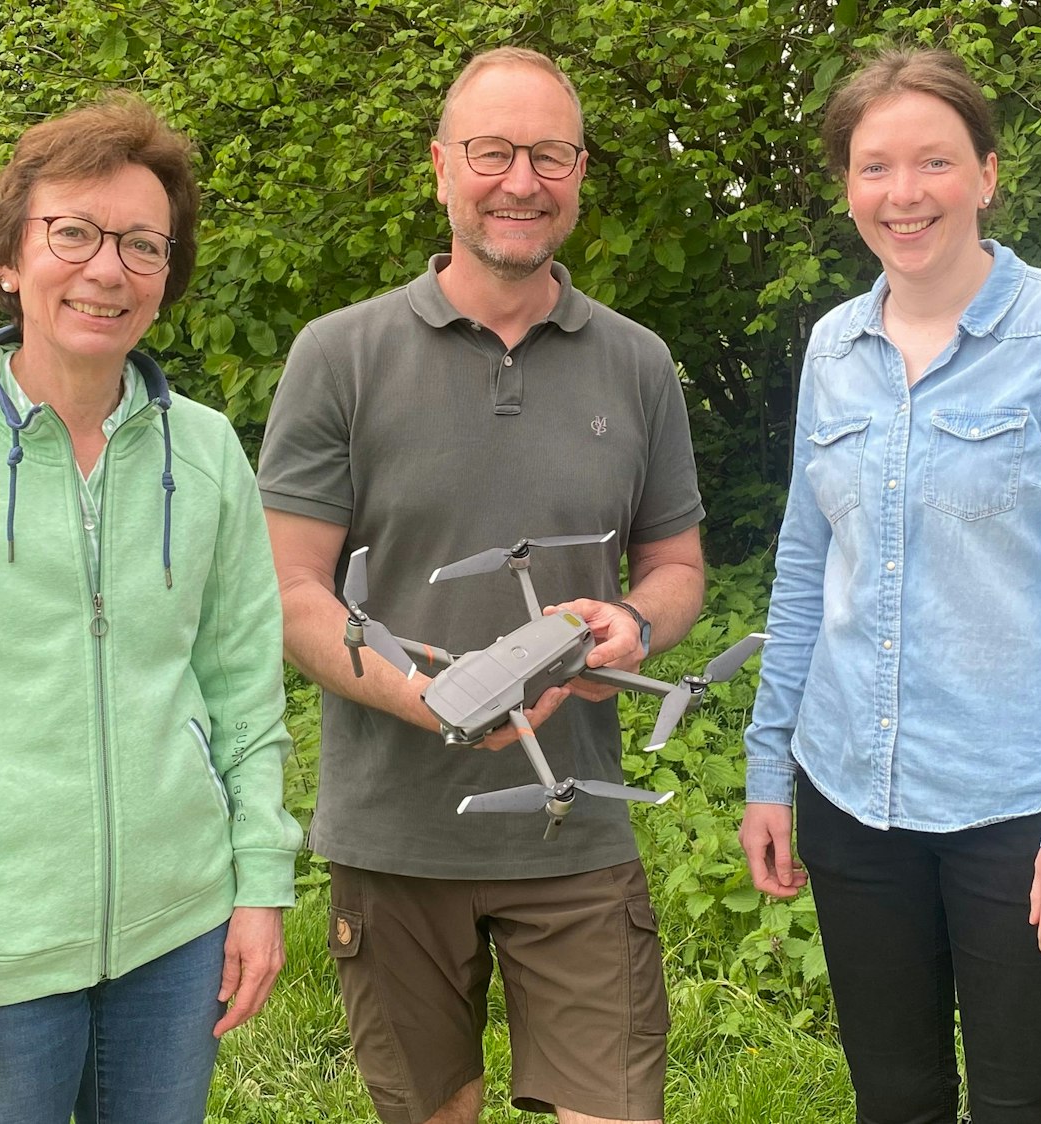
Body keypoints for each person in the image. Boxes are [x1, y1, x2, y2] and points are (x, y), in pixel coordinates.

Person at [0, 92, 301, 1124]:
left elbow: (245, 693)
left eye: (141, 244)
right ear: (9, 258)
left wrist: (259, 882)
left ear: (166, 275)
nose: (107, 268)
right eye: (71, 232)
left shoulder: (207, 452)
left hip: (179, 935)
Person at [257, 47, 706, 1124]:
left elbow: (679, 567)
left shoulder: (639, 362)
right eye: (491, 151)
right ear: (440, 167)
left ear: (580, 171)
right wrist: (437, 698)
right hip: (393, 835)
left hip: (575, 834)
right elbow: (289, 594)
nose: (520, 180)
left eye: (548, 154)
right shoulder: (339, 355)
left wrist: (634, 623)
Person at [737, 48, 1041, 1124]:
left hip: (1017, 806)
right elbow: (804, 567)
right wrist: (766, 764)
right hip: (849, 796)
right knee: (894, 1096)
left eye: (933, 161)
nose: (903, 193)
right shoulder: (833, 346)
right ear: (848, 186)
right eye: (874, 166)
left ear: (985, 173)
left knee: (1022, 1103)